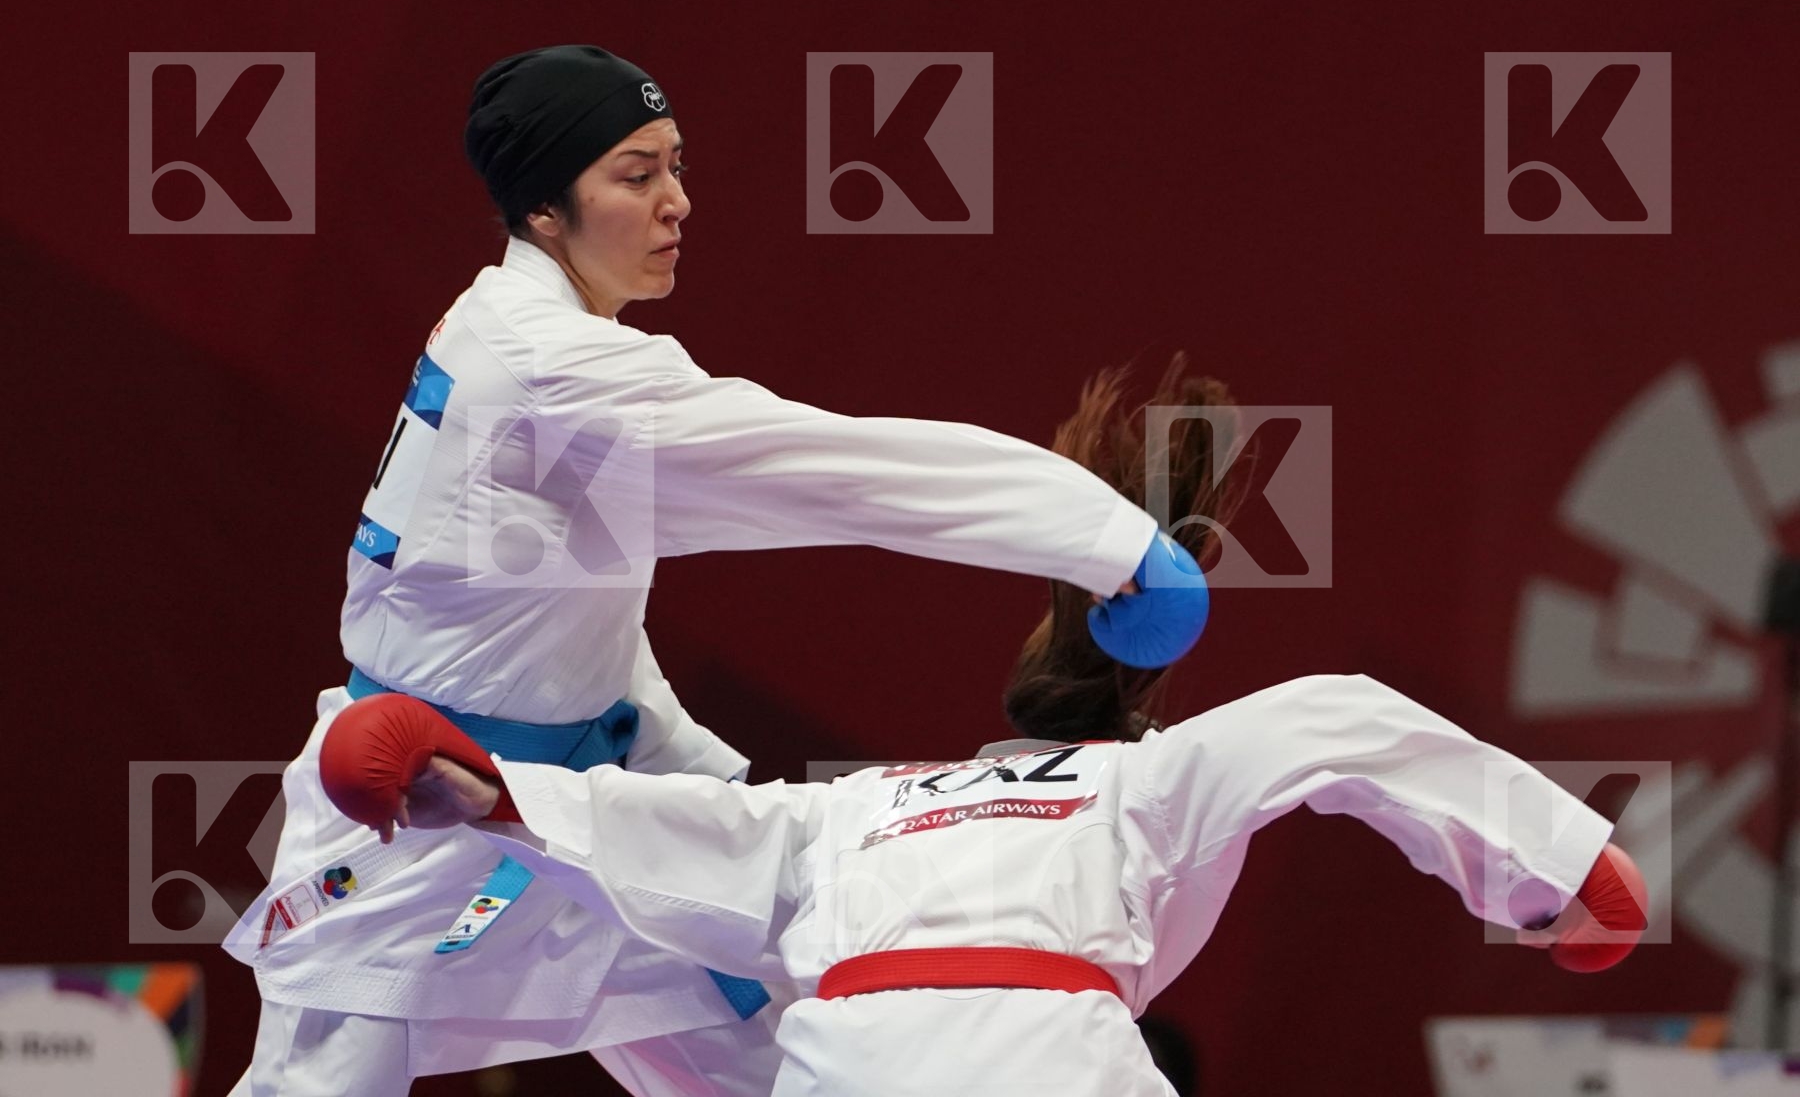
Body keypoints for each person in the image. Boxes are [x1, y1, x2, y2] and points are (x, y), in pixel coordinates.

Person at [223, 45, 1208, 1096]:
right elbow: (841, 470)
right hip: (420, 812)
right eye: (635, 175)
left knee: (761, 1059)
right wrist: (1108, 541)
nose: (676, 202)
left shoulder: (519, 329)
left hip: (583, 801)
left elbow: (563, 607)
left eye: (677, 166)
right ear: (545, 211)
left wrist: (686, 762)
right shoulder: (556, 371)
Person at [322, 359, 1650, 1096]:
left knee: (651, 951)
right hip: (1044, 1063)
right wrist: (1558, 879)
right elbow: (1334, 726)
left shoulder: (855, 806)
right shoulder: (1146, 784)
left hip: (845, 1063)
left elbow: (669, 836)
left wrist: (488, 787)